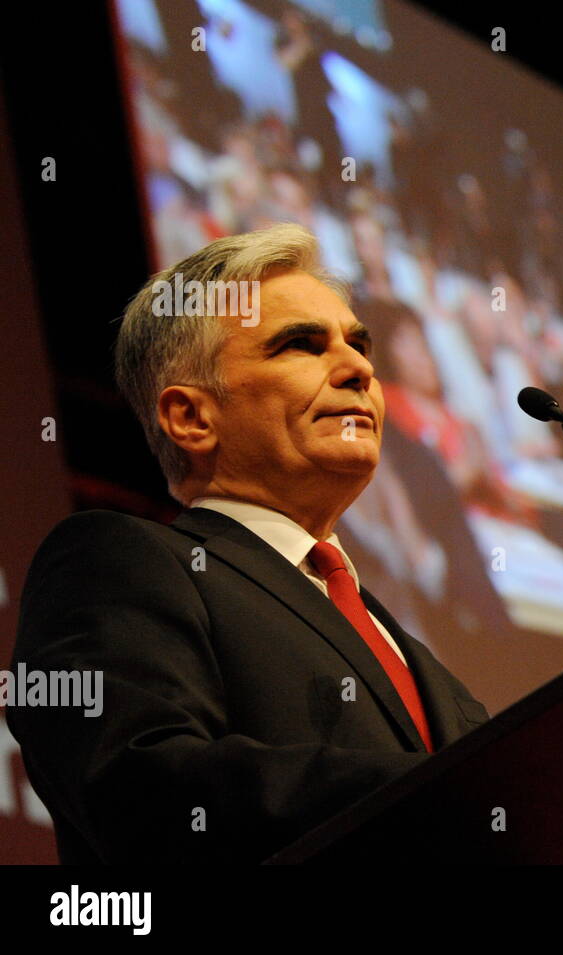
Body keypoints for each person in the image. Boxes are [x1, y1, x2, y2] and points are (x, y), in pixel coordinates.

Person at [8, 224, 489, 863]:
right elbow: (138, 782)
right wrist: (437, 793)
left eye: (359, 343)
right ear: (191, 417)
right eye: (300, 345)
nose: (359, 369)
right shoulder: (118, 561)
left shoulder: (417, 657)